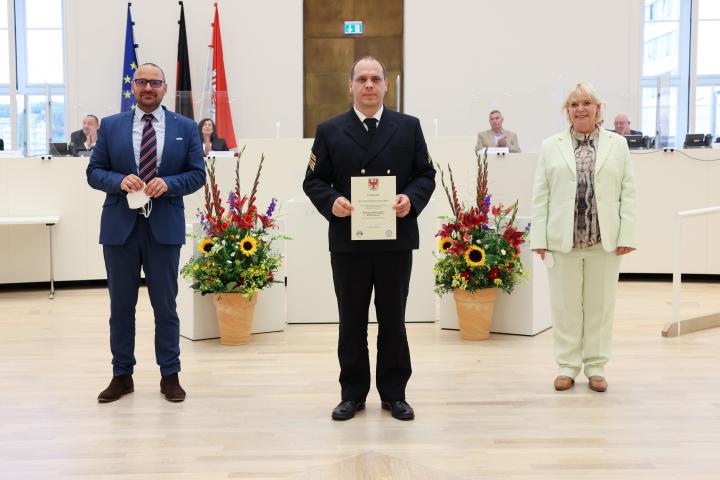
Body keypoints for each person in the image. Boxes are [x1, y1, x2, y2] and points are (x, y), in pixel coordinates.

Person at [303, 56, 436, 421]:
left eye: (375, 78)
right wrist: (333, 202)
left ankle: (394, 394)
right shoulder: (330, 130)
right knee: (352, 320)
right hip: (349, 242)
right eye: (361, 79)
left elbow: (426, 174)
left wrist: (411, 198)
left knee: (393, 319)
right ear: (350, 86)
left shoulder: (408, 127)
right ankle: (352, 393)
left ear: (385, 85)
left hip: (395, 241)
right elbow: (312, 180)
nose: (368, 85)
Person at [86, 63, 205, 403]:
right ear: (133, 87)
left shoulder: (185, 127)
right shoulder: (111, 126)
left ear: (165, 88)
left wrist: (168, 183)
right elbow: (94, 172)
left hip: (163, 228)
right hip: (119, 230)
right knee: (121, 307)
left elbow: (197, 175)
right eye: (142, 82)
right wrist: (118, 181)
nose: (148, 87)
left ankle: (170, 375)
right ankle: (122, 376)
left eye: (155, 82)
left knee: (165, 306)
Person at [530, 82, 637, 393]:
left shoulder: (618, 145)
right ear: (567, 111)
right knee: (564, 306)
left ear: (597, 109)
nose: (580, 109)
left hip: (603, 241)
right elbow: (541, 194)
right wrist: (539, 237)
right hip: (563, 241)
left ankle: (596, 366)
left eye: (586, 103)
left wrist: (626, 233)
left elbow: (628, 193)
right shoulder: (551, 146)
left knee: (600, 306)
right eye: (574, 104)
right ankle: (566, 365)